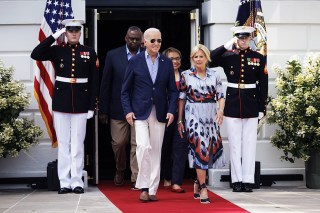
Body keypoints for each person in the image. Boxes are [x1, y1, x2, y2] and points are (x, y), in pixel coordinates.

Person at [31, 19, 99, 194]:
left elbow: (94, 82)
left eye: (76, 30)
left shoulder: (89, 52)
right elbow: (36, 54)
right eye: (70, 30)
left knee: (77, 144)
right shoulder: (57, 50)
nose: (74, 33)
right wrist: (54, 36)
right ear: (65, 32)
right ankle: (64, 182)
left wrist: (92, 106)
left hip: (82, 103)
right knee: (64, 143)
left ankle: (77, 181)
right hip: (61, 102)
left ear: (81, 32)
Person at [121, 28, 178, 202]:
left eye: (159, 41)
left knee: (155, 151)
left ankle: (151, 189)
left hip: (160, 112)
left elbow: (173, 91)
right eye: (152, 41)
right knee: (143, 146)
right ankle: (143, 185)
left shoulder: (166, 62)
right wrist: (128, 110)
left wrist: (171, 110)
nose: (156, 44)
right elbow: (125, 90)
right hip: (139, 111)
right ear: (144, 42)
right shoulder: (135, 61)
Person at [210, 26, 268, 193]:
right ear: (235, 38)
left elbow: (263, 84)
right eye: (239, 38)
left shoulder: (258, 57)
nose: (243, 41)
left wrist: (262, 106)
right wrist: (226, 45)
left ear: (250, 38)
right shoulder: (227, 55)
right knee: (235, 144)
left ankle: (248, 180)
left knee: (250, 144)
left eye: (246, 37)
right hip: (233, 103)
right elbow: (210, 58)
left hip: (251, 103)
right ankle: (237, 180)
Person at [177, 44, 225, 204]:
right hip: (193, 115)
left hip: (211, 114)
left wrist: (220, 111)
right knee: (200, 147)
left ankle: (197, 181)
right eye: (195, 57)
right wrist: (180, 119)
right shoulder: (186, 75)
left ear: (206, 58)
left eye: (201, 56)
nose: (198, 59)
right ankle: (204, 187)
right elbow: (182, 98)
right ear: (192, 59)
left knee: (210, 148)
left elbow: (221, 94)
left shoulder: (215, 74)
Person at [99, 26, 143, 190]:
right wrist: (103, 109)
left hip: (140, 109)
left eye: (137, 39)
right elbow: (106, 83)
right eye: (131, 38)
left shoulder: (147, 55)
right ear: (125, 38)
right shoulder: (113, 55)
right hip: (118, 108)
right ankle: (120, 169)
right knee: (119, 143)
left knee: (137, 144)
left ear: (141, 40)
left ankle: (136, 177)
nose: (133, 41)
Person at [160, 47, 188, 193]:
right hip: (164, 116)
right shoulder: (160, 75)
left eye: (178, 58)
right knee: (164, 148)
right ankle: (167, 178)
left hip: (182, 118)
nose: (175, 61)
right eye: (172, 59)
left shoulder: (186, 75)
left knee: (180, 148)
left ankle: (176, 182)